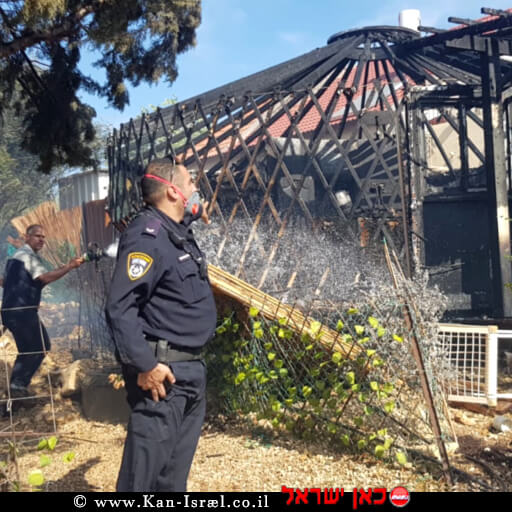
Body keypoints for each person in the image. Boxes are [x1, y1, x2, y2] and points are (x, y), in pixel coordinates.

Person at [105, 157, 216, 492]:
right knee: (142, 482)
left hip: (189, 372)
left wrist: (195, 211)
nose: (195, 188)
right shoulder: (147, 237)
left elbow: (189, 215)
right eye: (190, 183)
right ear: (172, 191)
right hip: (162, 378)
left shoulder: (173, 230)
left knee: (171, 481)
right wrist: (145, 364)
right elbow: (119, 308)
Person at [1, 225, 83, 400]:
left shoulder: (14, 258)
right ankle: (18, 386)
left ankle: (16, 389)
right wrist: (69, 266)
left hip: (11, 311)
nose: (41, 240)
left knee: (27, 349)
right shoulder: (28, 257)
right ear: (27, 237)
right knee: (41, 346)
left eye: (43, 237)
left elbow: (5, 282)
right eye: (37, 236)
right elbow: (43, 278)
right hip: (23, 312)